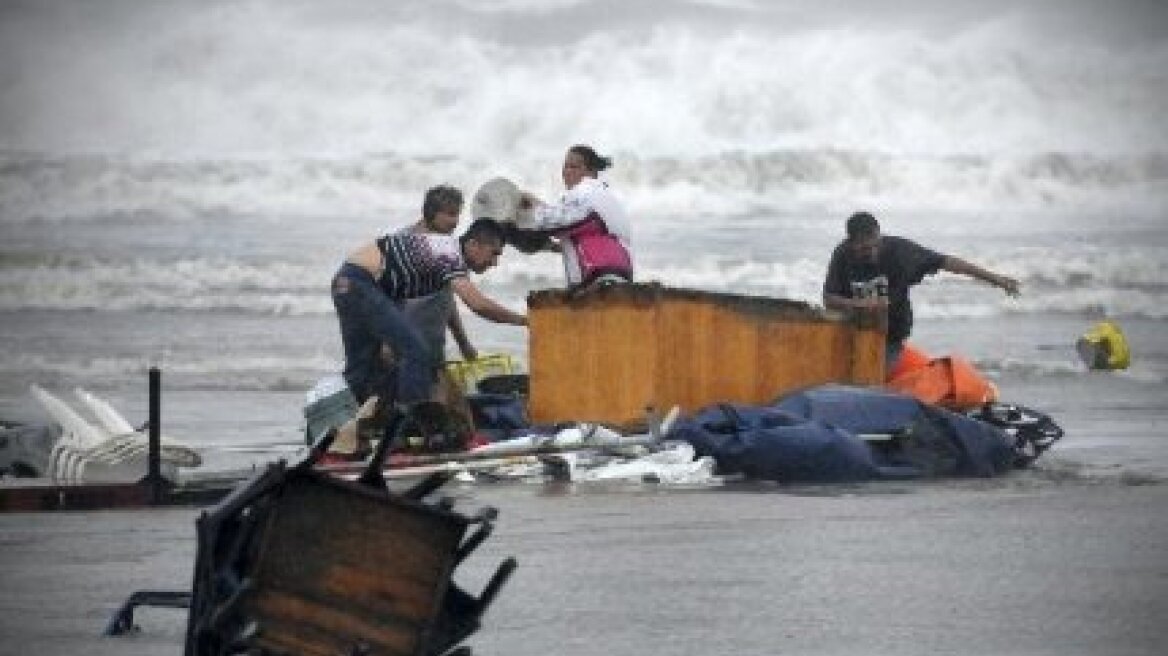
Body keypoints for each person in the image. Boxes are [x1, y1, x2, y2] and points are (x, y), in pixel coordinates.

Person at [331, 189, 525, 416]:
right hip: (360, 282)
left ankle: (352, 429)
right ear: (473, 244)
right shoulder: (448, 252)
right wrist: (524, 320)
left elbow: (397, 293)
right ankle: (412, 423)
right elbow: (478, 304)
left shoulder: (442, 258)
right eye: (494, 254)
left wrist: (462, 342)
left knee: (362, 368)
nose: (495, 263)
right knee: (416, 352)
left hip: (345, 282)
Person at [822, 211, 1020, 370]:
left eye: (875, 246)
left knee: (873, 380)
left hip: (892, 332)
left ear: (879, 236)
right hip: (854, 329)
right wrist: (861, 305)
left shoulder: (900, 250)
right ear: (851, 244)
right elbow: (829, 299)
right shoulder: (842, 254)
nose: (872, 253)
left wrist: (994, 278)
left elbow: (947, 262)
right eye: (865, 250)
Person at [517, 144, 634, 292]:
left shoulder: (583, 191)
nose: (566, 172)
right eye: (565, 167)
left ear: (591, 172)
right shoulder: (607, 196)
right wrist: (537, 204)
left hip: (600, 277)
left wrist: (527, 210)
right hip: (622, 275)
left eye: (574, 167)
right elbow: (572, 219)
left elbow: (555, 223)